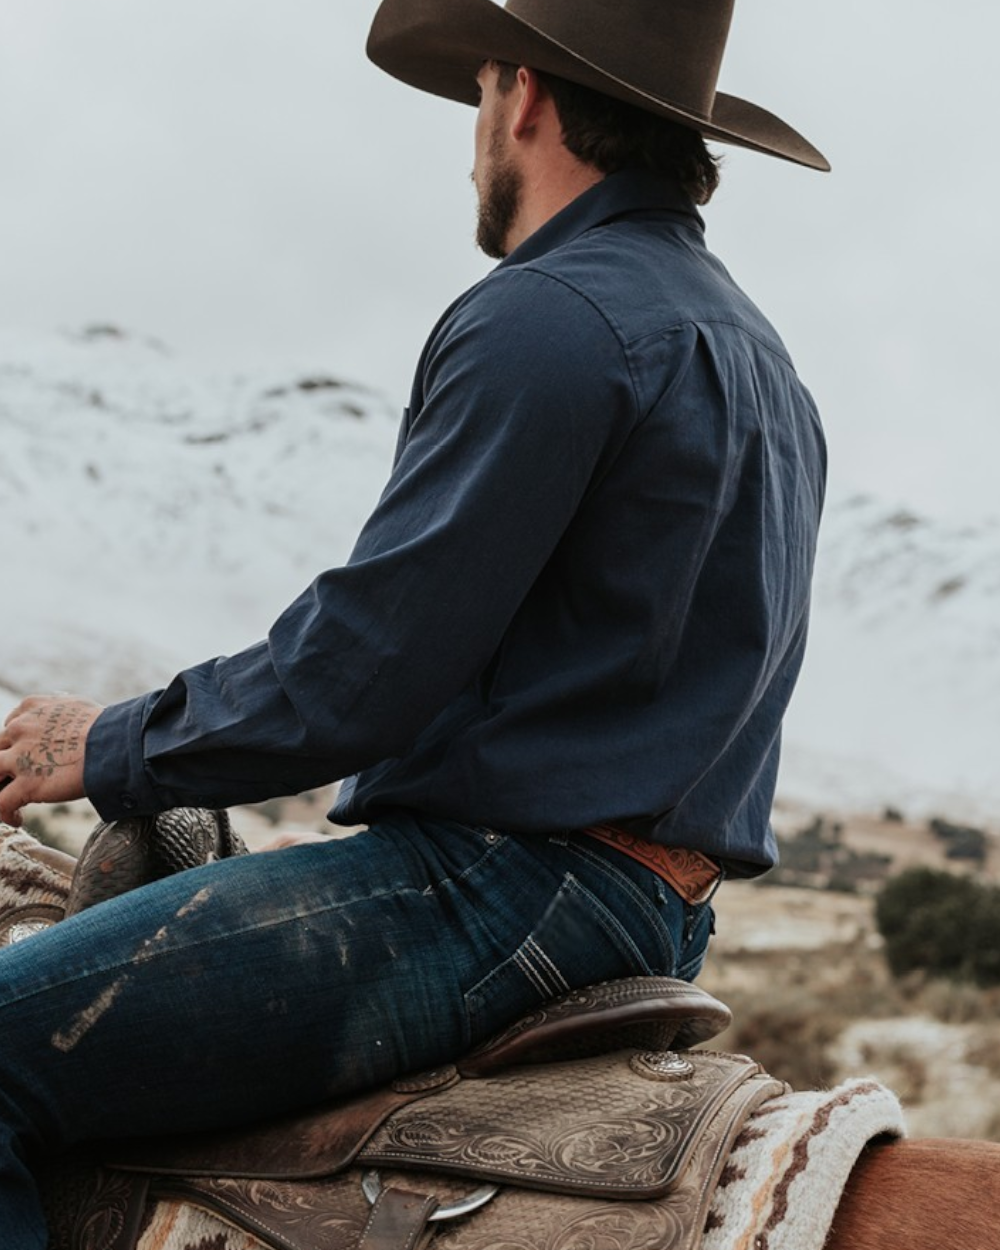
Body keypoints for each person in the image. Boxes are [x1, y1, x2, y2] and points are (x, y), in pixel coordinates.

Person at [0, 0, 827, 1241]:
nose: (475, 134)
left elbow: (360, 671)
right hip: (659, 912)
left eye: (483, 91)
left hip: (486, 892)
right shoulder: (764, 361)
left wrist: (106, 743)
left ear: (528, 98)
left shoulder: (547, 316)